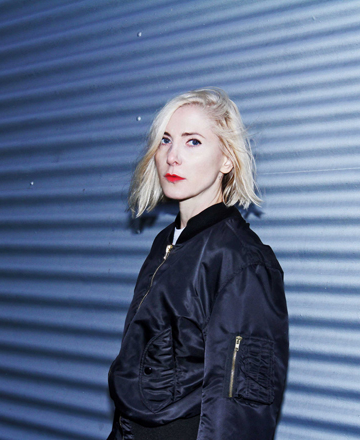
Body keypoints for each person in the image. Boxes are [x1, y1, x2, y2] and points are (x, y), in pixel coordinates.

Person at [107, 88, 288, 440]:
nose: (172, 156)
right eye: (166, 140)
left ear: (226, 159)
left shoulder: (242, 260)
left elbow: (242, 410)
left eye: (193, 142)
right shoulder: (166, 242)